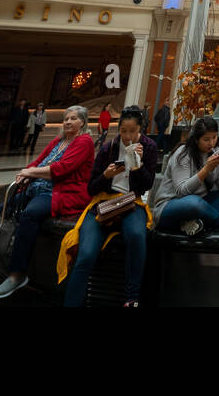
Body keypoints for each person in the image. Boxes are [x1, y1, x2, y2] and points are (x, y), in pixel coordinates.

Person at [0, 104, 95, 298]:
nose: (68, 121)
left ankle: (17, 273)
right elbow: (38, 162)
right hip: (40, 187)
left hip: (62, 191)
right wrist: (25, 173)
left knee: (30, 214)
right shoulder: (58, 141)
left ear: (83, 123)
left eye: (73, 118)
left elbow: (62, 169)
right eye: (66, 118)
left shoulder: (84, 142)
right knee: (4, 208)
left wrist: (30, 172)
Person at [61, 105, 158, 307]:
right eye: (124, 131)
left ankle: (132, 297)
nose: (128, 136)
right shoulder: (108, 148)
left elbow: (147, 185)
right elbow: (91, 188)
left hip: (131, 202)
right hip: (103, 202)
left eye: (133, 131)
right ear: (118, 129)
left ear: (141, 130)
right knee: (86, 254)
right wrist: (106, 176)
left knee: (136, 236)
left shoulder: (148, 147)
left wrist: (137, 166)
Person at [152, 116, 219, 234]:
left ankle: (193, 223)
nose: (211, 143)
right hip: (172, 206)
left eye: (214, 137)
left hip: (201, 204)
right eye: (206, 139)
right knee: (193, 203)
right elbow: (181, 191)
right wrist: (206, 169)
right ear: (196, 139)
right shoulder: (183, 154)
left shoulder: (214, 153)